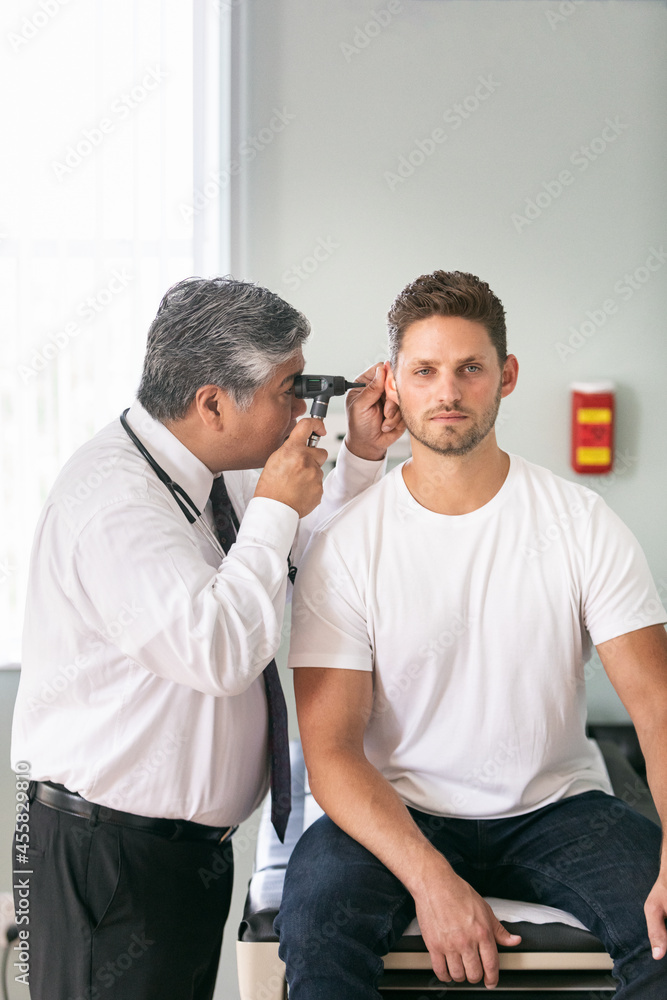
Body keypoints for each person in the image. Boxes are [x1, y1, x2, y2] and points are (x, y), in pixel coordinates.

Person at [10, 275, 404, 1000]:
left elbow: (295, 551)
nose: (298, 409)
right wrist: (276, 509)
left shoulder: (201, 476)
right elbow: (220, 648)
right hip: (111, 863)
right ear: (213, 402)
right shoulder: (116, 506)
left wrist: (363, 458)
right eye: (289, 389)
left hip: (176, 856)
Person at [276, 270, 667, 999]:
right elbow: (328, 750)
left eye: (468, 369)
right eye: (423, 371)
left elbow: (656, 706)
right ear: (393, 382)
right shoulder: (348, 544)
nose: (446, 392)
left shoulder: (581, 525)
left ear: (505, 377)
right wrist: (433, 879)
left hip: (556, 809)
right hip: (394, 809)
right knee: (317, 944)